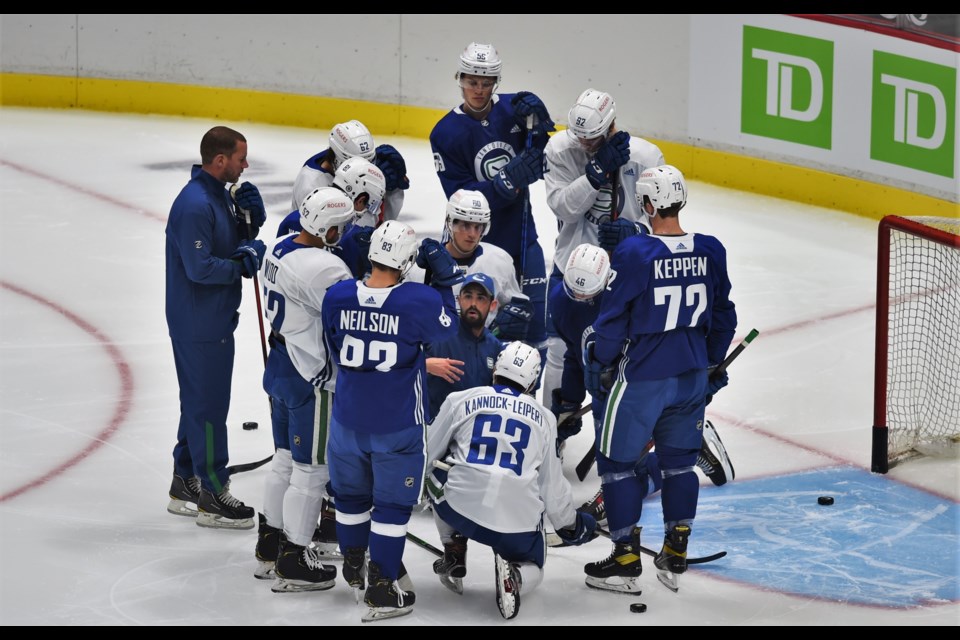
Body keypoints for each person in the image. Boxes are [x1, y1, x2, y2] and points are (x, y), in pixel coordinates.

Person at [581, 166, 737, 594]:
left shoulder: (635, 253)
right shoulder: (710, 250)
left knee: (616, 465)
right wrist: (709, 363)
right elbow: (725, 316)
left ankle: (626, 560)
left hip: (644, 377)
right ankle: (676, 552)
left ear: (647, 205)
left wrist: (603, 360)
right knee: (679, 465)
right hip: (689, 377)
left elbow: (613, 321)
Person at [321, 221, 463, 622]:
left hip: (347, 421)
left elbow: (336, 344)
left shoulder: (338, 295)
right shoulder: (418, 299)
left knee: (349, 498)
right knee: (391, 507)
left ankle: (353, 561)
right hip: (396, 423)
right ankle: (382, 586)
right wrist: (447, 278)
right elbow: (447, 326)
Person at [547, 244, 734, 534]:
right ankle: (690, 449)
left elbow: (670, 341)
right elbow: (574, 350)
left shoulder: (629, 290)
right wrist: (569, 401)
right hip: (607, 383)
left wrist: (702, 378)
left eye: (589, 296)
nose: (582, 301)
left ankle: (681, 448)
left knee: (622, 464)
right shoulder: (560, 300)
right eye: (575, 294)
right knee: (614, 461)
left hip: (638, 379)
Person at [425, 342, 597, 619]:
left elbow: (427, 453)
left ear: (496, 369)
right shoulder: (545, 418)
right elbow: (552, 488)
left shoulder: (462, 398)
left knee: (436, 472)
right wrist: (571, 527)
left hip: (458, 509)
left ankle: (453, 546)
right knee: (536, 565)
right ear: (533, 380)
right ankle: (517, 576)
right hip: (515, 523)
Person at [252, 188, 356, 592]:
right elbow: (350, 314)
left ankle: (269, 545)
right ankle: (294, 557)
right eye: (341, 226)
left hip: (278, 365)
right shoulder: (326, 269)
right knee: (311, 472)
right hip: (309, 375)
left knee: (282, 460)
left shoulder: (279, 247)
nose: (344, 233)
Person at [165, 125, 266, 530]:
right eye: (241, 158)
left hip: (213, 318)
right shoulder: (194, 204)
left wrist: (250, 225)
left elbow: (229, 244)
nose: (246, 165)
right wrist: (240, 266)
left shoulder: (219, 196)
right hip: (198, 323)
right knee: (208, 409)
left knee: (199, 401)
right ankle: (211, 491)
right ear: (220, 160)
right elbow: (200, 267)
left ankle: (183, 480)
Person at [540, 88, 666, 410]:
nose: (584, 144)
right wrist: (594, 174)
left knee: (622, 357)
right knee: (557, 348)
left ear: (611, 126)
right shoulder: (559, 149)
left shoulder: (647, 158)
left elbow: (663, 223)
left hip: (624, 277)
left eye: (592, 138)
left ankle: (614, 437)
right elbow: (563, 208)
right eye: (579, 137)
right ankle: (555, 430)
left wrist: (635, 233)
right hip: (571, 267)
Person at [430, 42, 553, 367]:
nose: (479, 89)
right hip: (475, 248)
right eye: (472, 81)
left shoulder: (515, 109)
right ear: (460, 78)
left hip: (523, 239)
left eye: (487, 82)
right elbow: (460, 199)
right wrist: (507, 182)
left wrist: (541, 129)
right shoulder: (444, 133)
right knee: (481, 334)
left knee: (536, 330)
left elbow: (541, 160)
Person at [408, 189, 534, 343]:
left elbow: (516, 307)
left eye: (478, 227)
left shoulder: (498, 261)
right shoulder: (420, 266)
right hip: (434, 354)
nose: (472, 234)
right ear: (450, 222)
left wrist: (512, 321)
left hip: (482, 354)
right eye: (465, 225)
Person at [278, 157, 387, 279]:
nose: (374, 213)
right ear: (360, 200)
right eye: (373, 205)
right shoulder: (356, 241)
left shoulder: (293, 219)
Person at [289, 119, 407, 223]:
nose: (365, 168)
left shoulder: (343, 164)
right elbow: (339, 238)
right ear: (337, 158)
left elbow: (381, 225)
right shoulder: (312, 186)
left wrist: (391, 190)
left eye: (370, 162)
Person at [424, 272, 504, 417]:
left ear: (492, 305)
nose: (473, 304)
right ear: (459, 300)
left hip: (474, 433)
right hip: (435, 431)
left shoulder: (495, 347)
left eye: (480, 298)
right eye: (468, 296)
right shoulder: (438, 332)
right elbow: (398, 365)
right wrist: (426, 365)